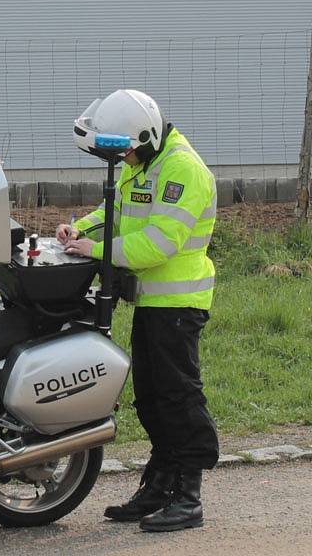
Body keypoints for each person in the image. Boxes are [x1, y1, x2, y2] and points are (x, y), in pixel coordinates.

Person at [56, 89, 219, 532]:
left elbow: (157, 244)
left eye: (126, 151)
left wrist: (95, 248)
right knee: (150, 396)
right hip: (153, 302)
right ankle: (159, 484)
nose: (124, 159)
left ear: (143, 137)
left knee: (178, 395)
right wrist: (81, 227)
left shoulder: (182, 171)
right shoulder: (148, 161)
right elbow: (120, 210)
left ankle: (188, 495)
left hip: (178, 304)